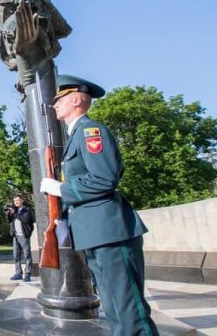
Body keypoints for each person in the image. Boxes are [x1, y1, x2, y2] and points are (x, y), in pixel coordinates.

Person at [40, 74, 158, 336]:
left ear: (77, 100)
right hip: (95, 233)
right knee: (115, 307)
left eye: (60, 98)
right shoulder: (76, 136)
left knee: (129, 309)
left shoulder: (91, 132)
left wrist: (60, 188)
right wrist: (65, 218)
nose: (55, 103)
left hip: (110, 231)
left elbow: (103, 179)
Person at [6, 195, 33, 282]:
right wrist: (8, 214)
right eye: (15, 201)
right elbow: (9, 221)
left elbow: (25, 220)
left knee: (27, 255)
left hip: (24, 235)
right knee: (16, 255)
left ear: (22, 200)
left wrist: (14, 213)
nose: (16, 202)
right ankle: (18, 273)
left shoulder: (27, 209)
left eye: (17, 200)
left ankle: (27, 274)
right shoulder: (15, 210)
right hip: (16, 235)